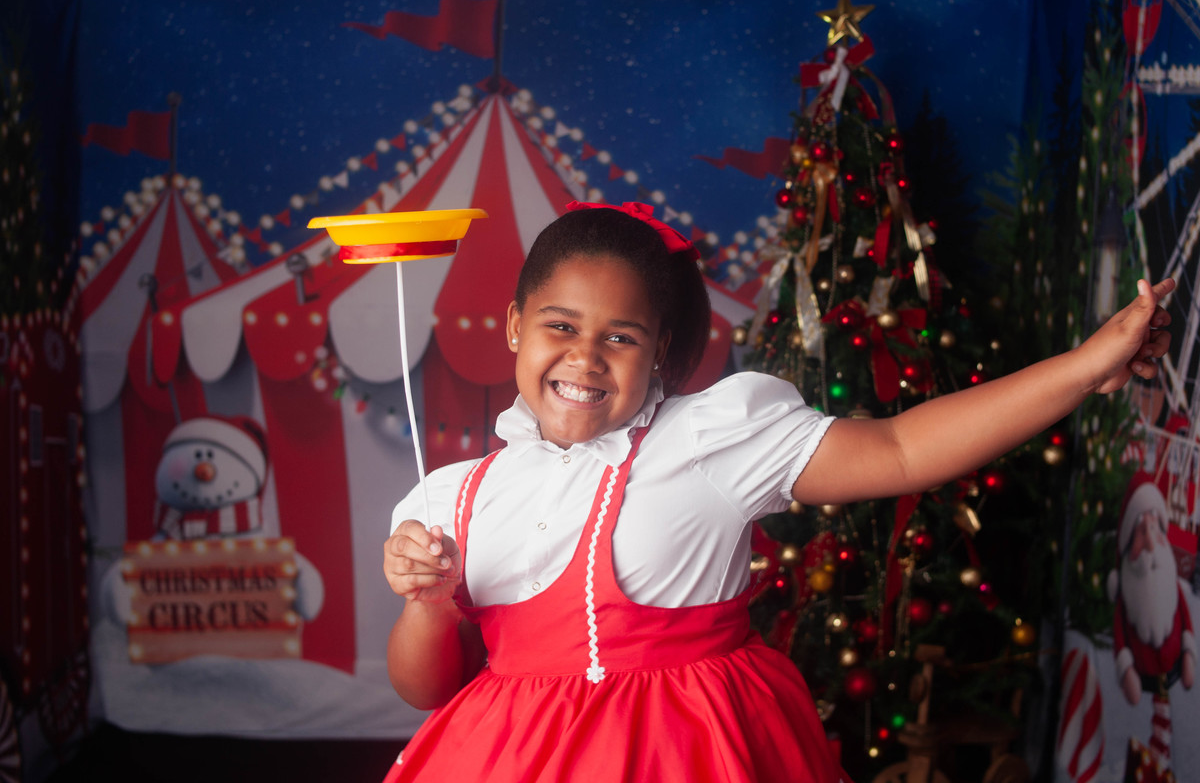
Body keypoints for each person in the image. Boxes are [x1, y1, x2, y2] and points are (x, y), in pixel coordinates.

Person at [380, 201, 1174, 782]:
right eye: (561, 326)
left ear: (658, 352)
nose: (586, 358)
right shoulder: (451, 498)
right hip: (510, 763)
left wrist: (1084, 369)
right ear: (516, 325)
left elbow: (900, 450)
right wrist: (430, 600)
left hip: (695, 754)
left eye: (620, 337)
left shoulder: (708, 438)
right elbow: (426, 691)